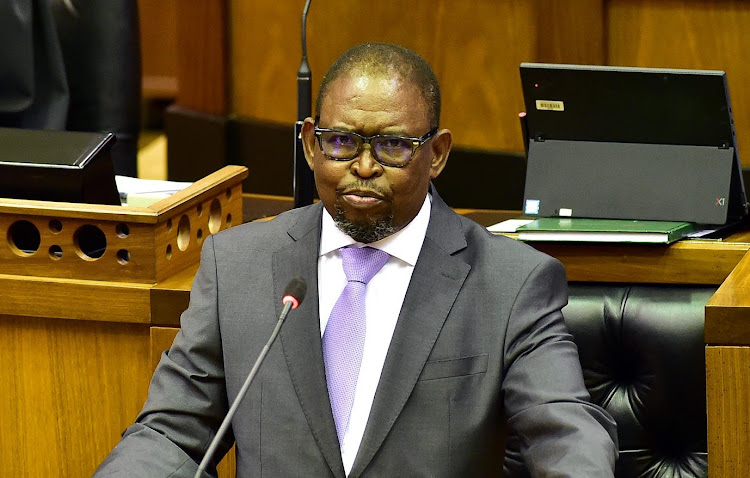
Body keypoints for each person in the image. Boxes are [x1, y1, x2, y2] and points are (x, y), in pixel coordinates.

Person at [95, 42, 617, 477]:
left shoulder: (511, 283)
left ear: (436, 154)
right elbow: (170, 436)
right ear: (309, 143)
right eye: (341, 142)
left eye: (392, 146)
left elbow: (566, 431)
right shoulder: (240, 267)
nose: (363, 167)